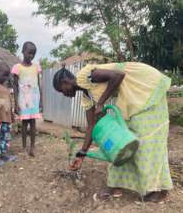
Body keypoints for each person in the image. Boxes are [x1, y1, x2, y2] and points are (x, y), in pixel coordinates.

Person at [53, 62, 173, 203]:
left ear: (65, 82)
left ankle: (161, 191)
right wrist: (81, 154)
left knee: (147, 142)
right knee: (122, 142)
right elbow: (91, 125)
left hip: (143, 87)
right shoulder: (86, 97)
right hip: (131, 99)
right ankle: (116, 186)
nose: (64, 95)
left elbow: (118, 75)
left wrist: (101, 103)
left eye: (62, 90)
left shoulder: (86, 75)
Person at [11, 42, 42, 157]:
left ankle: (32, 146)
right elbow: (14, 86)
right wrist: (15, 102)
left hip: (34, 98)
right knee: (24, 123)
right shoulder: (17, 67)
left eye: (33, 54)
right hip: (23, 99)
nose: (31, 56)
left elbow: (39, 84)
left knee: (33, 122)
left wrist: (41, 99)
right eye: (29, 53)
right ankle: (24, 146)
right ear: (23, 51)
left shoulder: (36, 67)